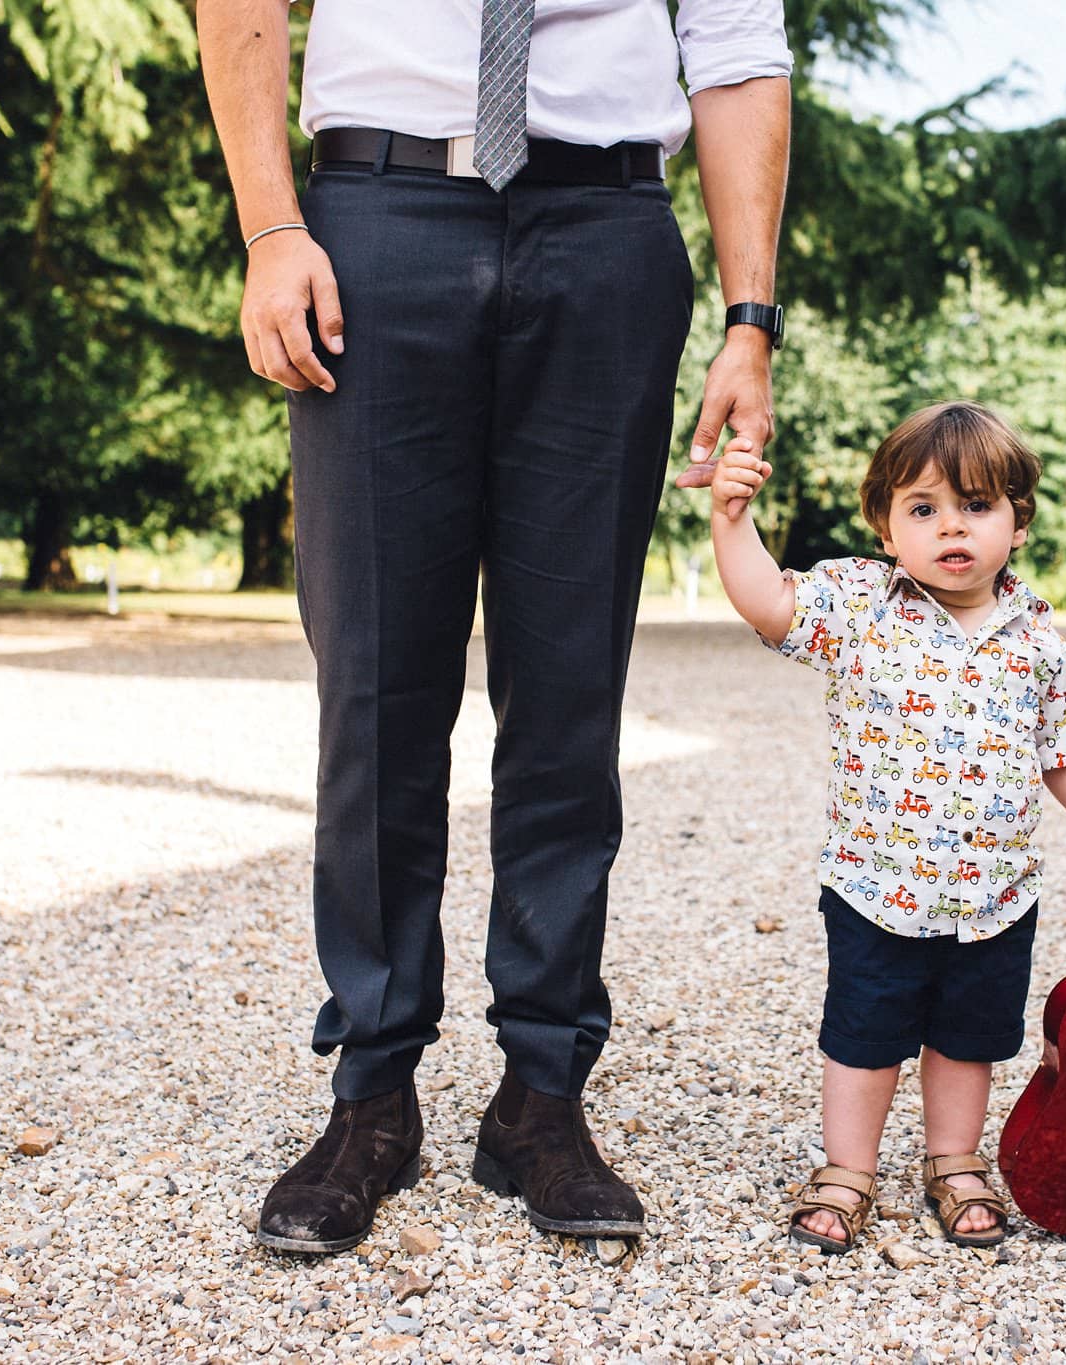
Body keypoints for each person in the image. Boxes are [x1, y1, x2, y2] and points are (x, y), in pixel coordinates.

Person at [197, 0, 792, 1254]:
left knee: (571, 699)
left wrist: (752, 320)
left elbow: (737, 48)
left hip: (609, 233)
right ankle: (372, 1093)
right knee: (372, 690)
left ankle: (541, 1096)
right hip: (375, 221)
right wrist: (268, 229)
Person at [705, 401, 1066, 1251]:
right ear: (887, 528)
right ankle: (849, 1168)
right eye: (923, 509)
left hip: (993, 895)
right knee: (864, 1036)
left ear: (1019, 523)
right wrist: (731, 519)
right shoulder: (860, 606)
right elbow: (769, 602)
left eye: (976, 505)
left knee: (968, 1040)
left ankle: (954, 1159)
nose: (950, 526)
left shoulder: (1040, 646)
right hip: (875, 885)